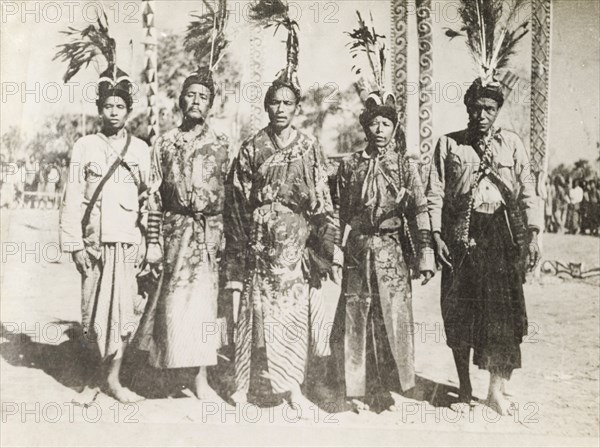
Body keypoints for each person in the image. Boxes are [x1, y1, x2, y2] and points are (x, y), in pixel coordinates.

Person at [427, 4, 541, 416]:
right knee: (460, 314)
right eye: (475, 108)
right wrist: (436, 237)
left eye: (488, 109)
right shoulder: (449, 144)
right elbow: (434, 193)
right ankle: (462, 387)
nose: (481, 115)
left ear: (497, 112)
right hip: (461, 237)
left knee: (503, 317)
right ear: (467, 108)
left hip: (502, 237)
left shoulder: (512, 145)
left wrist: (535, 234)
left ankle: (496, 390)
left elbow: (528, 188)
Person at [224, 13, 340, 409]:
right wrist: (237, 260)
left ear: (297, 108)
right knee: (251, 320)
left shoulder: (309, 149)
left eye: (287, 102)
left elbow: (324, 206)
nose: (280, 108)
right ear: (266, 105)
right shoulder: (252, 147)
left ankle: (294, 389)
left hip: (294, 251)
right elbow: (236, 205)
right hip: (257, 248)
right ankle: (242, 385)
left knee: (292, 321)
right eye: (274, 102)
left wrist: (321, 254)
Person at [330, 11, 434, 413]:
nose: (379, 130)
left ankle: (398, 384)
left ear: (393, 128)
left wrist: (424, 254)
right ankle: (357, 387)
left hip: (391, 248)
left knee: (393, 316)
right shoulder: (352, 164)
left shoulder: (406, 165)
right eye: (373, 124)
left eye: (385, 124)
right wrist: (338, 249)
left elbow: (420, 208)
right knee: (356, 314)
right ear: (366, 127)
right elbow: (339, 211)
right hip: (359, 247)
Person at [58, 25, 150, 402]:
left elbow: (150, 200)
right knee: (91, 313)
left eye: (119, 106)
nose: (113, 112)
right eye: (107, 106)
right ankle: (91, 381)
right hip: (94, 244)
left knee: (125, 313)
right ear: (99, 109)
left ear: (128, 111)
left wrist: (149, 242)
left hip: (128, 244)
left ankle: (114, 380)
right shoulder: (84, 147)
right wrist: (75, 245)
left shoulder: (142, 149)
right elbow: (73, 197)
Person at [136, 67, 230, 400]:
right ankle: (171, 374)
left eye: (202, 97)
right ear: (180, 100)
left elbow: (231, 197)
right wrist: (153, 242)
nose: (195, 101)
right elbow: (154, 196)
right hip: (175, 233)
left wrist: (225, 240)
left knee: (204, 308)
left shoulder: (222, 145)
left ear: (211, 105)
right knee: (172, 307)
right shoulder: (164, 143)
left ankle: (201, 379)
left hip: (209, 235)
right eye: (190, 95)